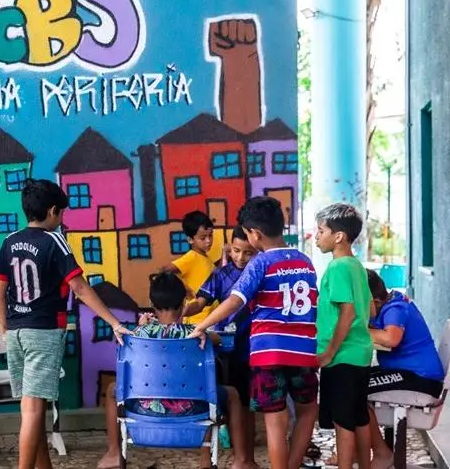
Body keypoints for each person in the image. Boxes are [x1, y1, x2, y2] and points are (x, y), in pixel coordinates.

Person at [0, 179, 132, 469]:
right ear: (53, 211)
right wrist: (114, 322)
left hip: (16, 332)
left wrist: (4, 328)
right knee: (33, 410)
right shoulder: (54, 241)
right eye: (62, 214)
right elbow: (80, 288)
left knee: (33, 407)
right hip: (43, 332)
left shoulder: (9, 242)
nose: (62, 220)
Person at [189, 197, 318, 469]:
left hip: (268, 354)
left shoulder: (259, 264)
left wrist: (201, 325)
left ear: (255, 234)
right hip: (304, 353)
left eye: (247, 234)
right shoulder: (305, 261)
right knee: (307, 411)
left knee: (275, 421)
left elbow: (235, 300)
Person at [96, 272, 255, 469]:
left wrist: (141, 327)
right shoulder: (197, 334)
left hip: (144, 408)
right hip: (193, 408)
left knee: (113, 388)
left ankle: (114, 453)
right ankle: (240, 461)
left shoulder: (137, 335)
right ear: (183, 304)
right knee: (229, 393)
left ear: (152, 305)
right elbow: (223, 341)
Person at [182, 226, 258, 463]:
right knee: (226, 400)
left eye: (248, 253)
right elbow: (201, 302)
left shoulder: (260, 273)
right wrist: (181, 310)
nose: (241, 258)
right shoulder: (221, 275)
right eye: (236, 251)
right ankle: (233, 456)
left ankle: (246, 457)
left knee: (248, 405)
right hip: (227, 348)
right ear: (229, 247)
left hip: (254, 347)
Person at [364, 269, 445, 469]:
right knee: (355, 380)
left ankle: (382, 454)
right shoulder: (391, 302)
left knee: (356, 390)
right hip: (411, 374)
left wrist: (356, 330)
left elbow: (391, 338)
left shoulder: (395, 308)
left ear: (374, 301)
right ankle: (368, 451)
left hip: (419, 378)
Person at [313, 203, 374, 469]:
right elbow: (369, 307)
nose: (316, 236)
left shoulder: (337, 268)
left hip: (342, 356)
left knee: (343, 421)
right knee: (358, 417)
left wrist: (329, 352)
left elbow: (347, 313)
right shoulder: (357, 267)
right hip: (359, 353)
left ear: (338, 236)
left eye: (321, 230)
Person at [160, 211, 216, 323]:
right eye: (203, 238)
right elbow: (164, 271)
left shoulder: (206, 259)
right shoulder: (191, 257)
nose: (208, 241)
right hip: (197, 320)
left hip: (208, 319)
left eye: (210, 235)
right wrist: (185, 290)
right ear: (190, 239)